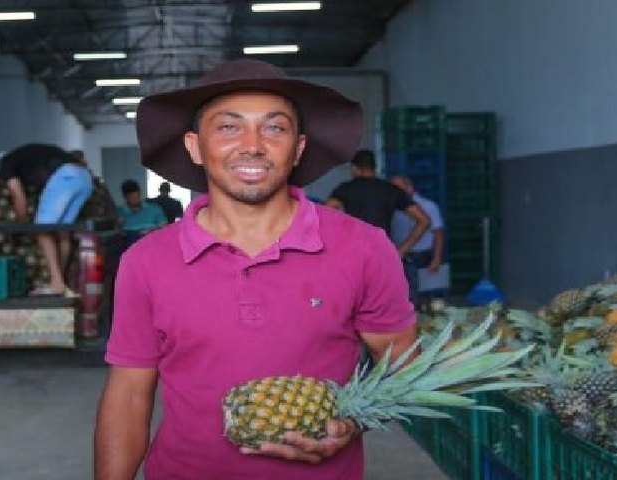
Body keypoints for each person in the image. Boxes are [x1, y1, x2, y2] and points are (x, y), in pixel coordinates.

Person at [94, 58, 417, 480]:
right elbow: (129, 396)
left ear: (298, 147)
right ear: (194, 146)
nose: (253, 145)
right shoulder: (146, 260)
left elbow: (403, 366)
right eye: (229, 127)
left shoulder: (364, 248)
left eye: (275, 127)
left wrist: (354, 423)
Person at [0, 144, 93, 297]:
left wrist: (20, 225)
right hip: (84, 178)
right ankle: (60, 281)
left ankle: (57, 283)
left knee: (41, 229)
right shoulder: (24, 156)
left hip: (64, 177)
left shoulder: (5, 165)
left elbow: (18, 196)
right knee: (62, 232)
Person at [325, 149, 431, 258]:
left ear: (354, 168)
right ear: (375, 168)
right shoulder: (391, 190)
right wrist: (401, 250)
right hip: (382, 252)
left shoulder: (345, 189)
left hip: (355, 252)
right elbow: (424, 221)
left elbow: (322, 215)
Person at [390, 175, 446, 302]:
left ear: (409, 187)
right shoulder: (391, 207)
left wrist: (437, 258)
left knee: (425, 297)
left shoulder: (428, 206)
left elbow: (438, 233)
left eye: (397, 188)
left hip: (421, 256)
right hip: (398, 256)